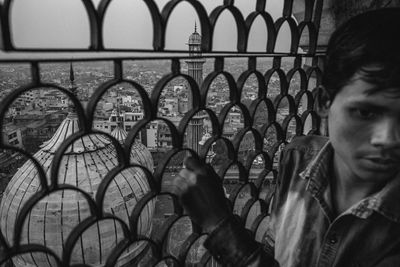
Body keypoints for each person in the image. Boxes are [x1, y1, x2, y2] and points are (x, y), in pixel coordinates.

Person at [172, 8, 400, 267]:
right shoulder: (298, 160)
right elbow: (276, 250)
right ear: (324, 102)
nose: (389, 138)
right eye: (366, 112)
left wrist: (219, 224)